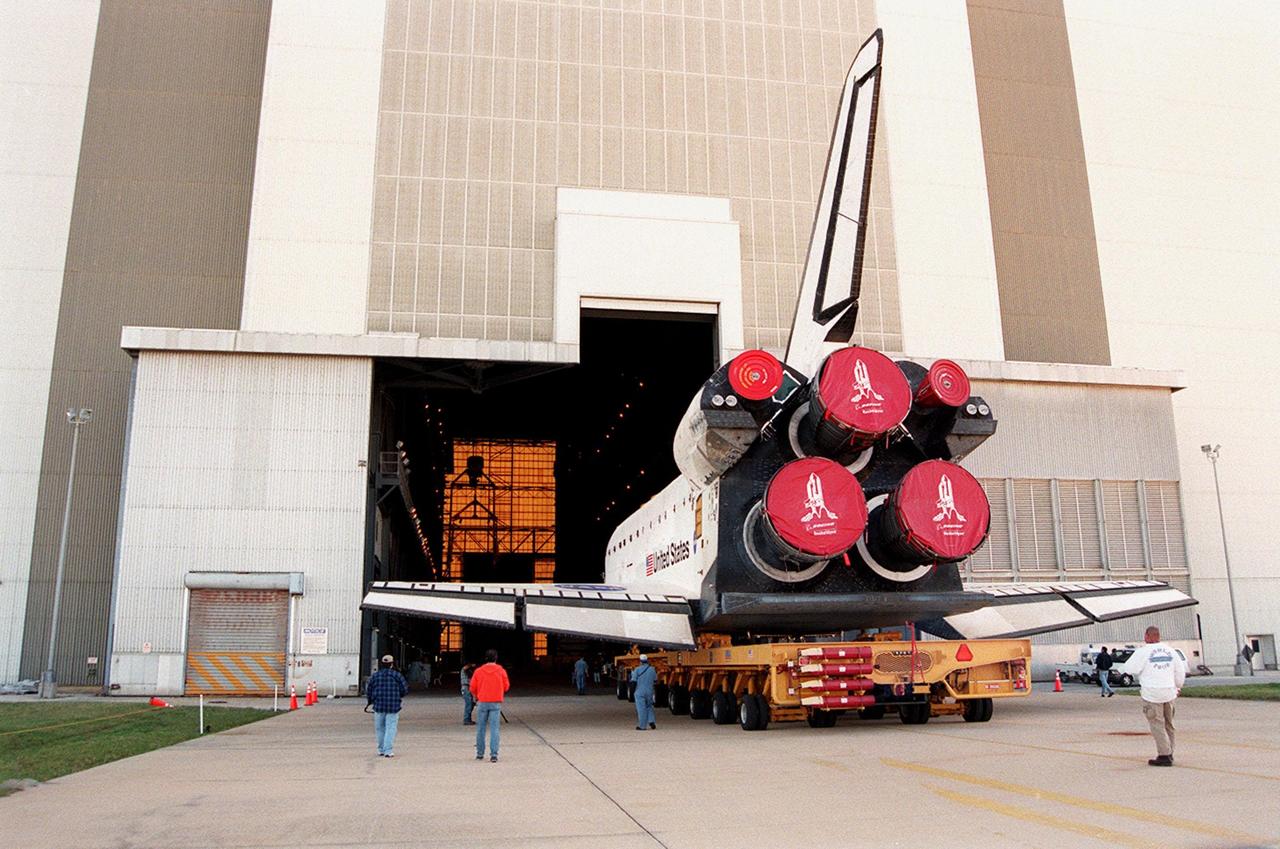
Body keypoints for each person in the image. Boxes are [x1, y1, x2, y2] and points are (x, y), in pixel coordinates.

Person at [1120, 626, 1187, 766]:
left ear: (1147, 636)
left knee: (1157, 724)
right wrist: (1178, 686)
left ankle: (1164, 754)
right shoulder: (1170, 651)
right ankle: (1170, 751)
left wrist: (1122, 669)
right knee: (1169, 724)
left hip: (1152, 693)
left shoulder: (1143, 652)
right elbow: (1179, 670)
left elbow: (1130, 668)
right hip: (1169, 692)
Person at [469, 649, 509, 762]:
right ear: (496, 658)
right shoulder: (501, 671)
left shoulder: (478, 671)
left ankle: (480, 754)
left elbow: (472, 687)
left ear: (485, 658)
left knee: (480, 729)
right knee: (494, 729)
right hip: (495, 702)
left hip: (482, 702)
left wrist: (477, 696)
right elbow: (506, 686)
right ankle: (494, 755)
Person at [366, 654, 409, 758]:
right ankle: (388, 750)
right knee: (391, 727)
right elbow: (404, 689)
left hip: (379, 706)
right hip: (393, 706)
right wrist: (398, 695)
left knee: (380, 728)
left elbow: (369, 690)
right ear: (392, 664)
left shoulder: (375, 676)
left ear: (381, 664)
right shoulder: (397, 675)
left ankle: (381, 749)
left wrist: (370, 701)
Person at [630, 654, 657, 730]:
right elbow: (655, 680)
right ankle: (651, 721)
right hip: (649, 691)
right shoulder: (652, 669)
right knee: (649, 706)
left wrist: (632, 693)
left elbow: (633, 681)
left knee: (641, 708)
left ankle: (642, 726)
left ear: (640, 661)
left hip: (640, 692)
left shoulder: (637, 670)